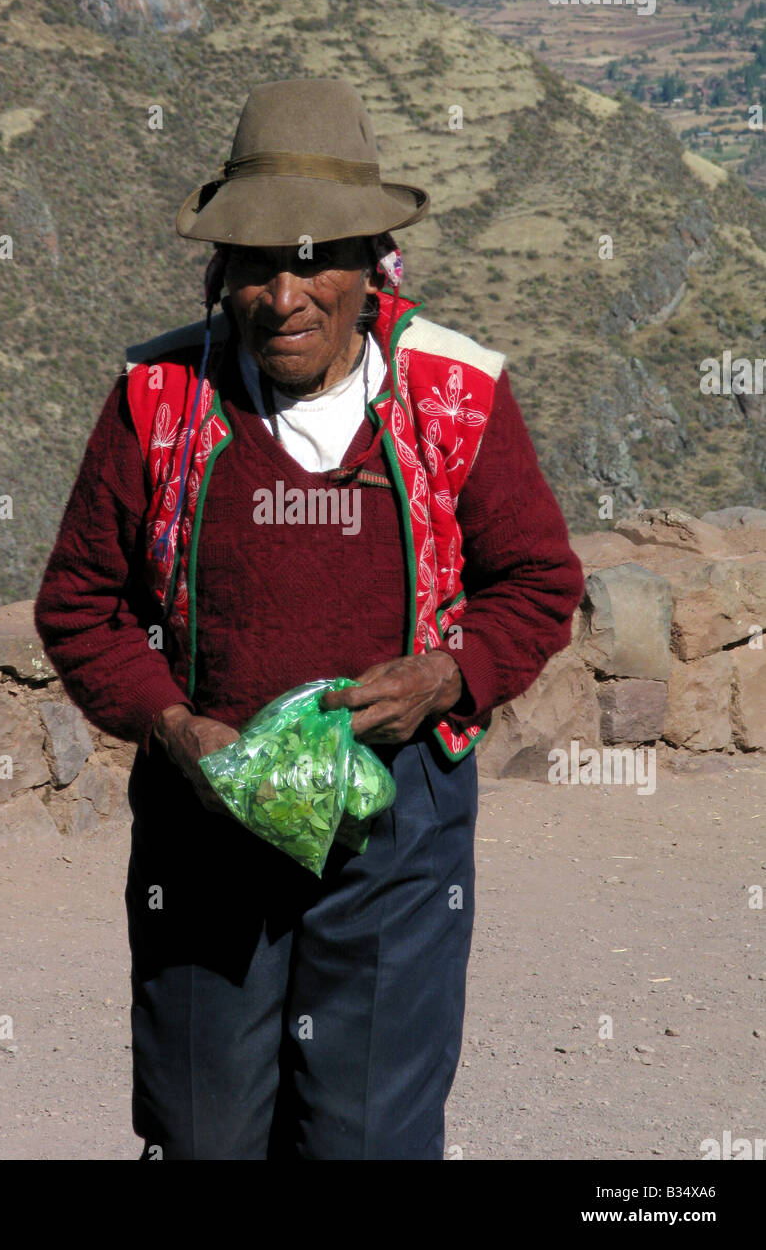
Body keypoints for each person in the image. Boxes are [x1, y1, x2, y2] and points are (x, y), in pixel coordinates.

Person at [34, 77, 585, 1160]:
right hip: (207, 825)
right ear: (221, 273)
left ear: (371, 265)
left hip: (397, 820)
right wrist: (176, 726)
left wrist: (445, 674)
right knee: (204, 1131)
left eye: (312, 257)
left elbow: (538, 582)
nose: (284, 295)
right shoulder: (157, 398)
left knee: (367, 1133)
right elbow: (81, 604)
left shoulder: (455, 394)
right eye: (255, 263)